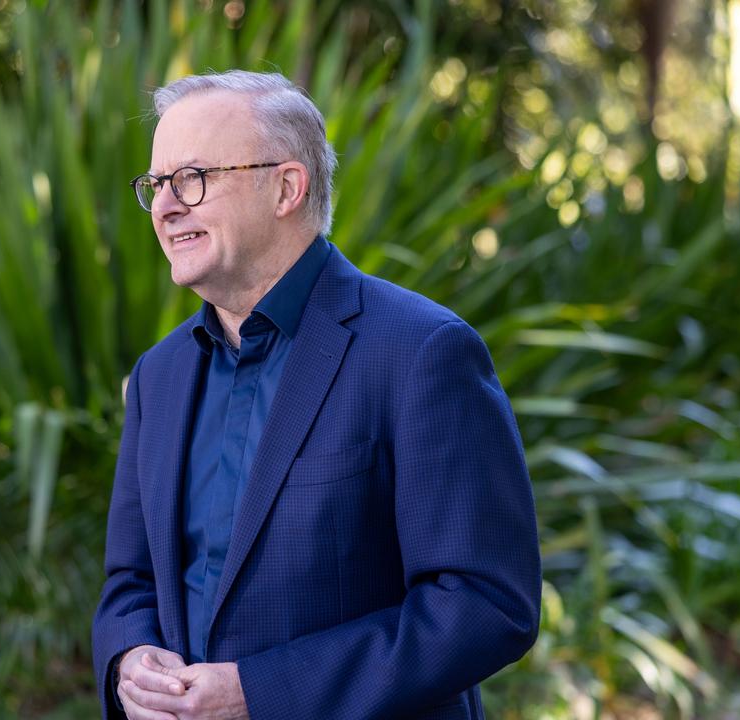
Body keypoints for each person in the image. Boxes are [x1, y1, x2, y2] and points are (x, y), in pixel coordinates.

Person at [91, 70, 541, 720]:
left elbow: (484, 603)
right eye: (156, 186)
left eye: (191, 179)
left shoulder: (421, 352)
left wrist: (262, 694)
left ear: (286, 187)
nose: (165, 206)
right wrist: (129, 660)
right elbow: (128, 583)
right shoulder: (159, 377)